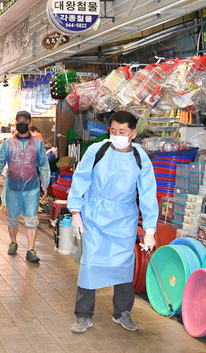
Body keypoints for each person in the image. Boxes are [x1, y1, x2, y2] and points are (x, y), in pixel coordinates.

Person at [67, 111, 158, 334]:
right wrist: (76, 212)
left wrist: (150, 229)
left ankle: (122, 312)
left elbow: (147, 192)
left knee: (124, 267)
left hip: (124, 219)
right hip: (95, 216)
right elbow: (80, 179)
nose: (117, 135)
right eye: (114, 131)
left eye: (122, 132)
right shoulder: (98, 150)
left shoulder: (140, 157)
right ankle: (84, 315)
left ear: (133, 133)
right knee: (90, 265)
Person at [0, 111, 50, 263]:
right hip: (13, 187)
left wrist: (45, 184)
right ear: (16, 123)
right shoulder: (8, 143)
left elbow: (44, 164)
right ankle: (13, 242)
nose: (21, 123)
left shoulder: (37, 144)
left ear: (30, 123)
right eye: (19, 121)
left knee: (32, 219)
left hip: (32, 188)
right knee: (12, 218)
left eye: (24, 121)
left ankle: (31, 250)